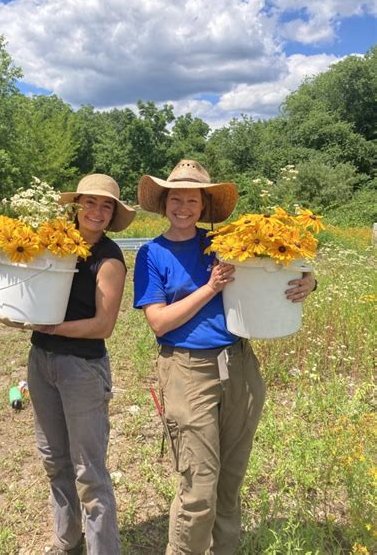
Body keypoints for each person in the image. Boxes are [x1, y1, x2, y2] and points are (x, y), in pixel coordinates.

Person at [133, 159, 316, 555]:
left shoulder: (226, 243)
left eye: (192, 201)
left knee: (230, 482)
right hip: (187, 369)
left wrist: (307, 281)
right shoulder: (152, 254)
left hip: (239, 364)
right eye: (175, 199)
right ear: (163, 203)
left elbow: (276, 264)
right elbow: (160, 323)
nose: (183, 208)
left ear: (204, 207)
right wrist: (211, 287)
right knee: (199, 489)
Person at [0, 174, 136, 555]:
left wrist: (50, 325)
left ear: (113, 214)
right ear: (76, 205)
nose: (97, 212)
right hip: (42, 362)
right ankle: (66, 540)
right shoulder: (50, 241)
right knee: (54, 459)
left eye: (106, 206)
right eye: (90, 203)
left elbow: (104, 325)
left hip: (82, 368)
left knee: (89, 470)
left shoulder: (109, 258)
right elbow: (19, 280)